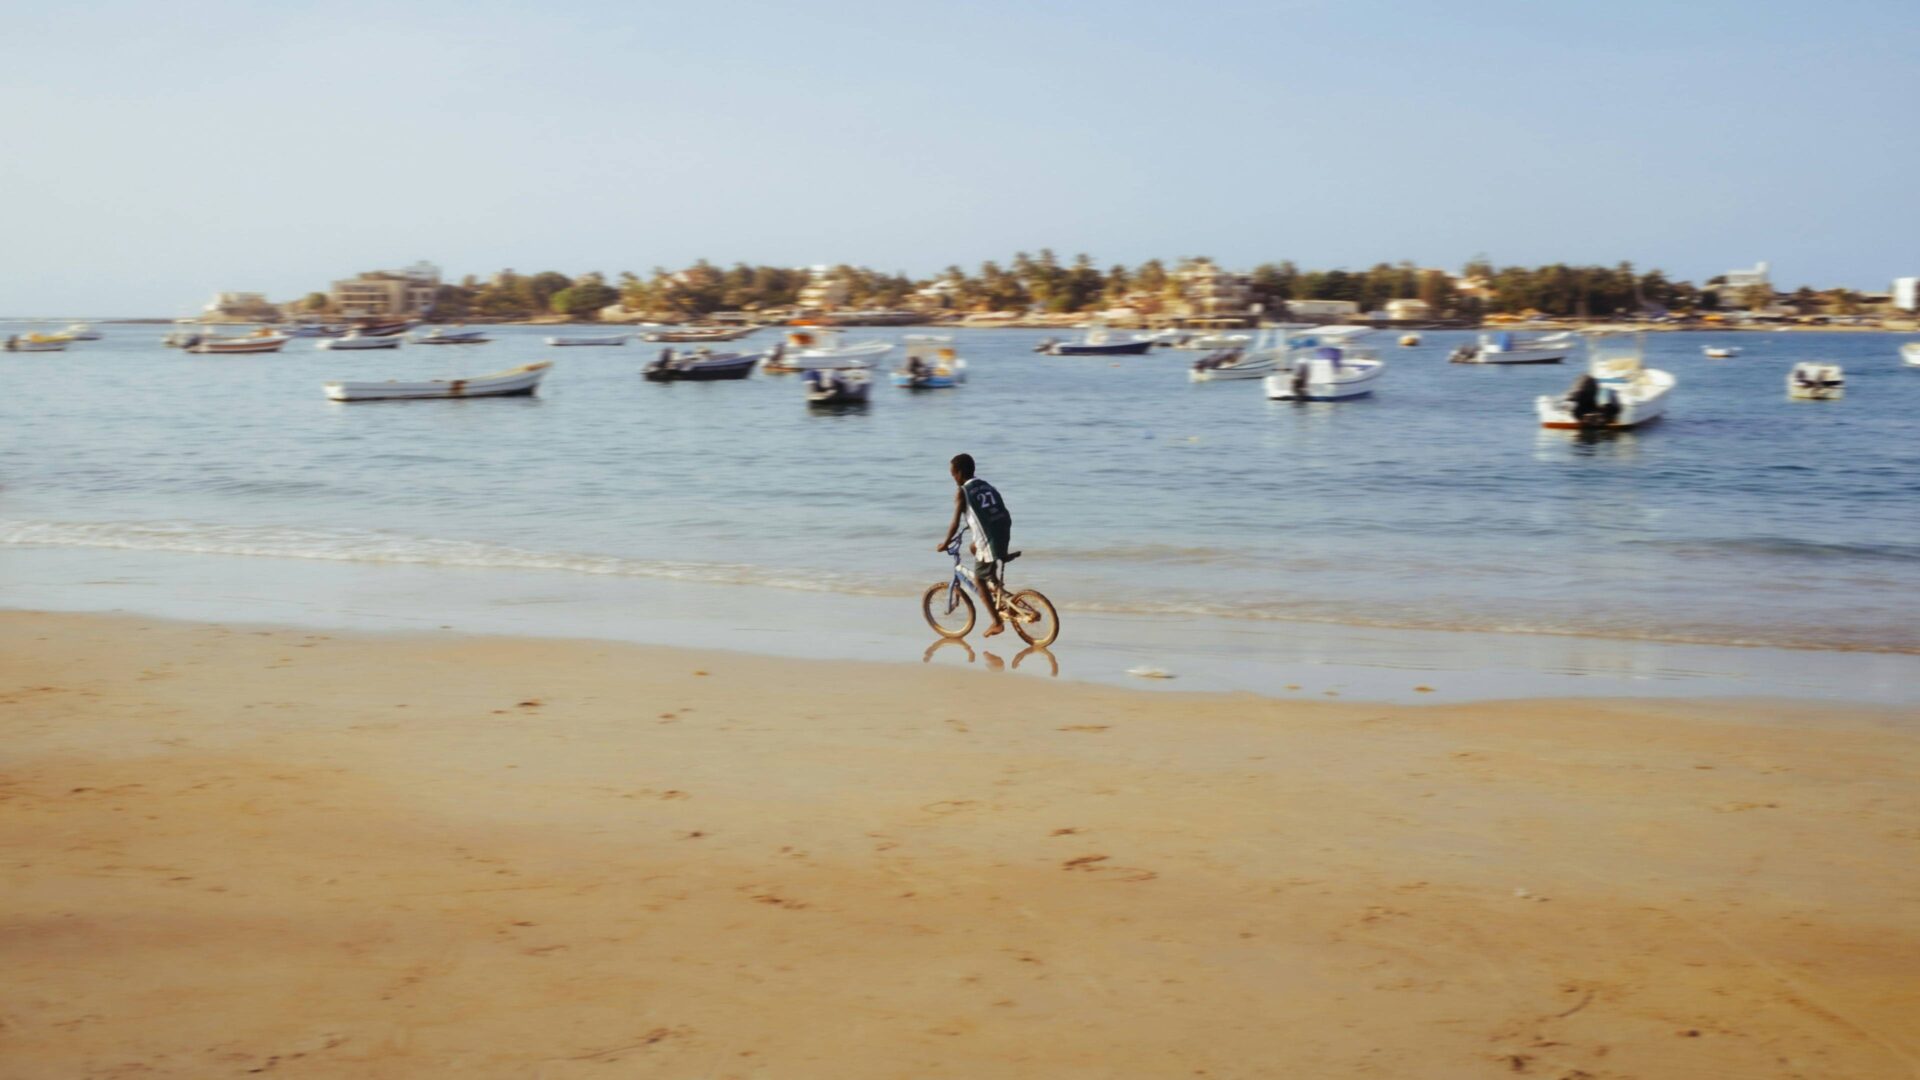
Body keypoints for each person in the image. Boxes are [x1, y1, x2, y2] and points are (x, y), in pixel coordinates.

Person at [936, 453, 1014, 637]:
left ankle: (996, 622)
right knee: (973, 548)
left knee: (978, 580)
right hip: (1003, 531)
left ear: (961, 472)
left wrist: (945, 543)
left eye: (954, 474)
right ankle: (995, 584)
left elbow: (955, 523)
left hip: (990, 539)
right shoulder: (985, 485)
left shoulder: (963, 492)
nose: (953, 478)